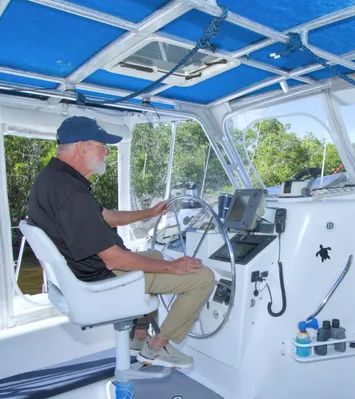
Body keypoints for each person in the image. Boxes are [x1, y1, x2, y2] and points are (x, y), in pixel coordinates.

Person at [26, 116, 215, 369]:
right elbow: (114, 258)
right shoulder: (71, 194)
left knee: (155, 257)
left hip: (81, 274)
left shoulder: (55, 180)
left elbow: (105, 217)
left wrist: (149, 213)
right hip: (103, 278)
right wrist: (174, 267)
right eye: (102, 146)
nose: (106, 152)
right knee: (203, 278)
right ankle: (156, 348)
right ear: (82, 146)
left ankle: (138, 337)